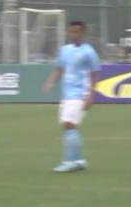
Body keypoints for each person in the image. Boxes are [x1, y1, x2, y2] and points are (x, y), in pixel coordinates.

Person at [43, 21, 101, 172]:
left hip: (80, 94)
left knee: (68, 123)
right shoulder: (65, 50)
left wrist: (91, 95)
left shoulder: (89, 52)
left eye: (76, 32)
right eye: (70, 32)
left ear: (83, 33)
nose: (72, 34)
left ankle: (69, 161)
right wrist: (50, 82)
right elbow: (59, 68)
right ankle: (79, 160)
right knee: (68, 125)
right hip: (67, 94)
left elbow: (95, 74)